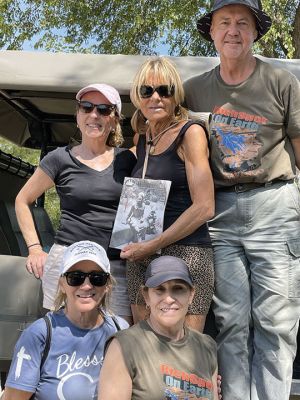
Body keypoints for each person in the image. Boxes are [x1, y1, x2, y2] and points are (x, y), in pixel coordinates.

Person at [184, 1, 300, 399]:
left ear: (255, 32)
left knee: (276, 322)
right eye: (224, 23)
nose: (233, 31)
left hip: (275, 205)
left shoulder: (281, 81)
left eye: (242, 23)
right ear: (211, 32)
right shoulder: (194, 90)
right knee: (231, 322)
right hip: (220, 212)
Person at [15, 83, 136, 323]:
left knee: (117, 338)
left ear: (114, 120)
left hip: (115, 268)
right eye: (87, 107)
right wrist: (34, 248)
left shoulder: (128, 159)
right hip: (66, 264)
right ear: (78, 115)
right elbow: (22, 199)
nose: (94, 114)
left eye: (104, 109)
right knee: (62, 337)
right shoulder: (59, 158)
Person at [120, 57, 215, 332]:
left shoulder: (191, 133)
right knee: (145, 345)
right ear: (138, 97)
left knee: (184, 350)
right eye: (147, 91)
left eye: (165, 90)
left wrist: (153, 244)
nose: (156, 97)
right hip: (141, 253)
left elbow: (205, 207)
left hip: (188, 252)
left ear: (176, 95)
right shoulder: (143, 138)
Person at [2, 240, 129, 400]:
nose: (87, 285)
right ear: (62, 283)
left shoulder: (120, 330)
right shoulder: (39, 334)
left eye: (97, 278)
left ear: (107, 285)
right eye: (76, 277)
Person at [98, 255, 218, 400]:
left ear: (191, 294)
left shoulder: (207, 346)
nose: (168, 299)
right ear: (146, 296)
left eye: (178, 289)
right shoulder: (123, 346)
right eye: (159, 289)